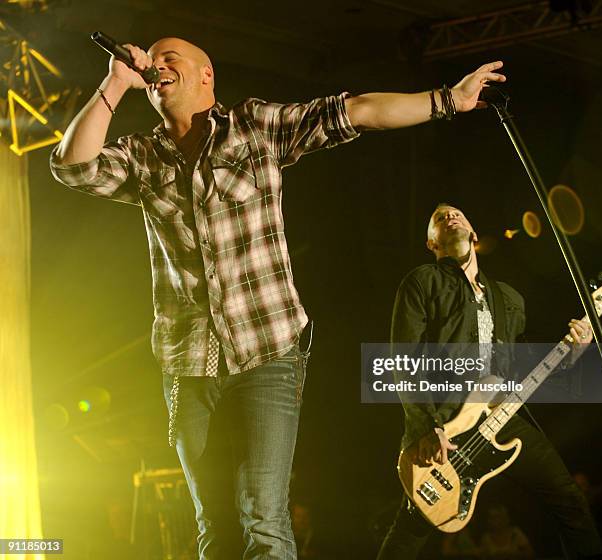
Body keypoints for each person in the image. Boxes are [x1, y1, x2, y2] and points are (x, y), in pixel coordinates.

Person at [49, 35, 506, 559]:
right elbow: (73, 167)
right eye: (151, 61)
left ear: (206, 74)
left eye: (169, 57)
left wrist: (448, 99)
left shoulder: (254, 127)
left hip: (268, 352)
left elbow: (355, 112)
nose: (155, 65)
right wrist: (114, 83)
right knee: (214, 525)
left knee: (262, 517)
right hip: (188, 362)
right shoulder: (144, 155)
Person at [376, 204, 602, 560]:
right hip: (445, 422)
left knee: (570, 500)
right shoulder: (422, 281)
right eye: (438, 218)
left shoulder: (509, 299)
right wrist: (425, 426)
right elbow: (403, 359)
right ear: (431, 243)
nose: (449, 216)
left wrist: (574, 353)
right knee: (414, 525)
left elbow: (523, 368)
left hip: (501, 417)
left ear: (474, 233)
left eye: (457, 213)